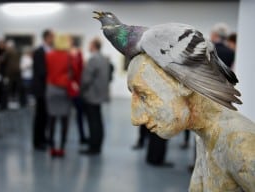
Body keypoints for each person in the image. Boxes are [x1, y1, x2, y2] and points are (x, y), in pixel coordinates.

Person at [128, 55, 255, 191]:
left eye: (144, 96)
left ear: (184, 83)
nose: (136, 119)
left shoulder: (241, 144)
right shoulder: (204, 133)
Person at [80, 38, 110, 155]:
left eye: (90, 44)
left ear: (94, 46)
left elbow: (86, 79)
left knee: (93, 122)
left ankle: (93, 147)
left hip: (92, 95)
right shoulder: (103, 59)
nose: (88, 46)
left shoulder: (93, 59)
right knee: (98, 120)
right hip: (100, 94)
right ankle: (97, 144)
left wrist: (81, 90)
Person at [45, 36, 73, 157]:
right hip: (64, 89)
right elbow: (73, 72)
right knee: (64, 120)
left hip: (51, 89)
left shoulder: (49, 55)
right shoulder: (69, 56)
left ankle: (51, 148)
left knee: (51, 120)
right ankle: (61, 148)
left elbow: (47, 71)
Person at [32, 30, 54, 151]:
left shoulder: (50, 51)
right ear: (46, 37)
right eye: (51, 37)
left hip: (48, 88)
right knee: (39, 116)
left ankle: (44, 138)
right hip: (41, 89)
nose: (53, 39)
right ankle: (37, 141)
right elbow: (41, 72)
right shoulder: (39, 52)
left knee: (46, 116)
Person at [69, 37, 87, 144]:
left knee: (80, 113)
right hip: (68, 86)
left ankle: (82, 136)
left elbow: (80, 69)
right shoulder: (65, 54)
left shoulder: (78, 53)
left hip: (77, 87)